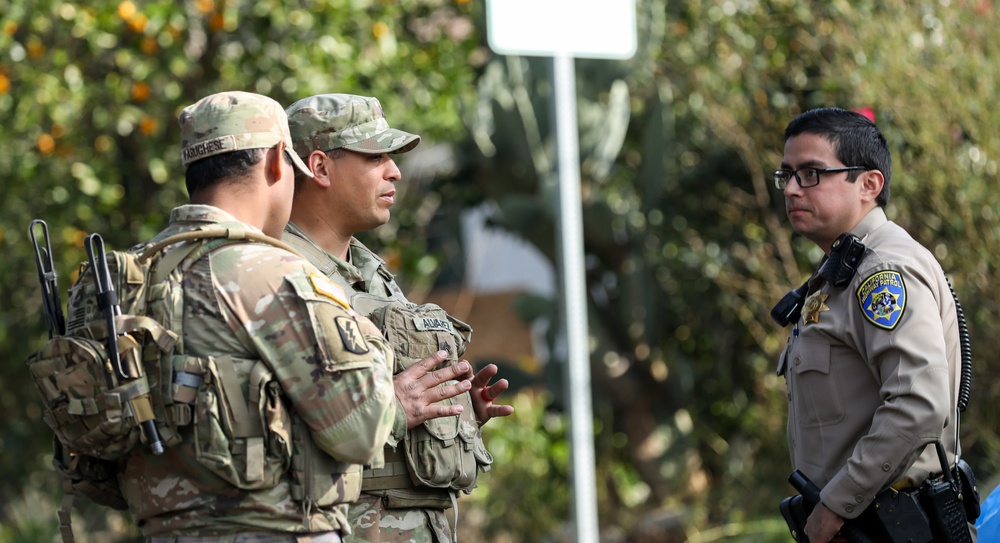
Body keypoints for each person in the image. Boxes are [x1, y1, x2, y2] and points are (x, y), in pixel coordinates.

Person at [117, 90, 473, 542]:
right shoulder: (274, 273)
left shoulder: (133, 274)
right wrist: (393, 401)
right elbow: (359, 429)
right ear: (274, 161)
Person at [281, 93, 515, 543]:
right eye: (376, 156)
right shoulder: (278, 275)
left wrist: (450, 412)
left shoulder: (374, 276)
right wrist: (390, 410)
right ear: (320, 167)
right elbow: (261, 430)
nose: (395, 171)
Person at [774, 107, 975, 542]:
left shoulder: (882, 271)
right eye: (786, 174)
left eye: (810, 173)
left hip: (887, 528)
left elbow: (918, 404)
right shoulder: (841, 270)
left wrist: (833, 506)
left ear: (868, 184)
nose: (791, 189)